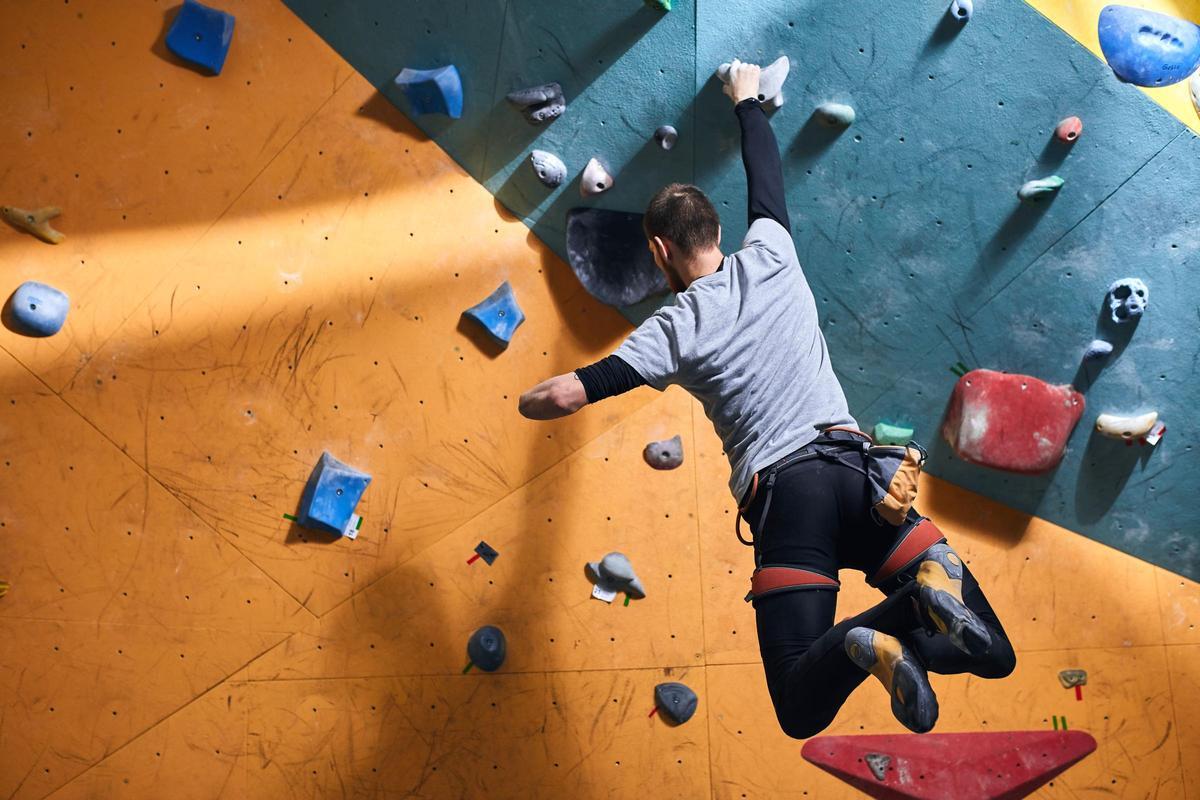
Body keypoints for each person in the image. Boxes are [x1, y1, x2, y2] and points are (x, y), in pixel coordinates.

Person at [518, 61, 1015, 737]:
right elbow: (765, 178)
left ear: (660, 250)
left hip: (792, 507)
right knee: (994, 654)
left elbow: (566, 395)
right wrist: (747, 100)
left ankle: (885, 628)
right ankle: (912, 606)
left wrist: (529, 399)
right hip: (864, 477)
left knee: (800, 707)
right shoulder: (773, 251)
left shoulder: (669, 330)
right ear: (719, 235)